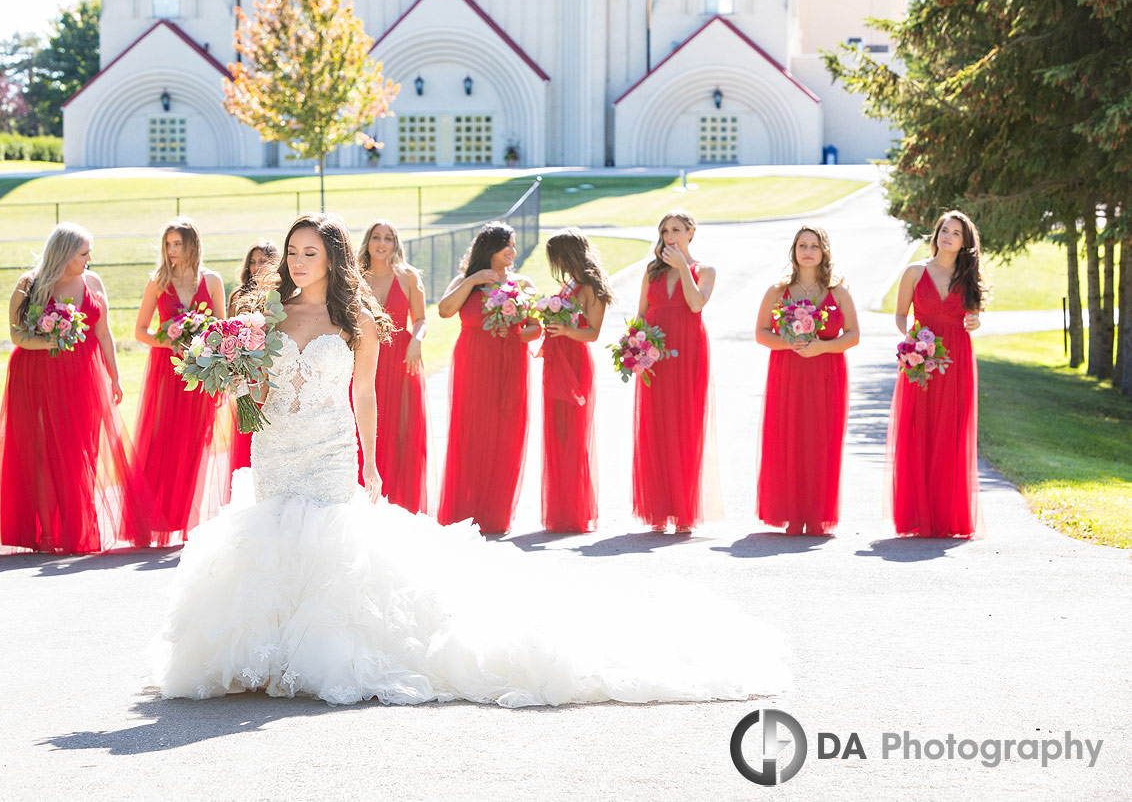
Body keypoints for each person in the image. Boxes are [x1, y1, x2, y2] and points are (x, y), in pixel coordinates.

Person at [150, 213, 791, 707]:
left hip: (328, 448)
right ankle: (268, 653)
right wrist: (231, 376)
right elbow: (256, 388)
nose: (296, 261)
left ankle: (313, 655)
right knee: (271, 544)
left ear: (331, 258)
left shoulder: (355, 321)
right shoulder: (263, 312)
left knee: (323, 548)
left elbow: (366, 396)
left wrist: (370, 463)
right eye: (291, 251)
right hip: (274, 448)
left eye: (308, 252)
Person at [0, 223, 156, 553]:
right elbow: (17, 336)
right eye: (83, 253)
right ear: (64, 255)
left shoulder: (93, 282)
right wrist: (50, 340)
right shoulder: (30, 285)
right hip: (37, 376)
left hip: (84, 376)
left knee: (84, 451)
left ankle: (77, 528)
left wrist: (115, 377)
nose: (89, 259)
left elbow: (104, 334)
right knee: (42, 453)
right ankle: (48, 535)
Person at [887, 210, 988, 538]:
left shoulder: (969, 277)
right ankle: (919, 514)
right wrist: (911, 342)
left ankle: (948, 517)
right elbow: (901, 316)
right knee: (920, 430)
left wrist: (974, 322)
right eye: (944, 229)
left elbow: (972, 318)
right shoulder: (915, 272)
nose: (947, 236)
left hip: (957, 362)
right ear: (936, 234)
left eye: (955, 233)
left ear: (964, 241)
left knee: (952, 433)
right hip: (921, 363)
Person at [435, 222, 541, 534]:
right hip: (472, 363)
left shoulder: (523, 283)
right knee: (471, 432)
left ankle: (496, 513)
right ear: (489, 249)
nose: (512, 250)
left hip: (510, 363)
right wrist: (473, 280)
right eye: (506, 244)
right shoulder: (465, 280)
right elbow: (444, 310)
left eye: (513, 244)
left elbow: (537, 328)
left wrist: (515, 334)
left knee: (507, 432)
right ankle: (465, 509)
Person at [130, 217, 230, 543]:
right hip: (165, 372)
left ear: (193, 244)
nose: (173, 251)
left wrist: (204, 342)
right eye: (169, 244)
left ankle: (190, 522)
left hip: (201, 374)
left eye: (178, 244)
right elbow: (140, 331)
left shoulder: (212, 281)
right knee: (159, 440)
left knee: (196, 443)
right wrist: (171, 340)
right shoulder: (158, 281)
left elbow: (222, 328)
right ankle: (153, 520)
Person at [754, 226, 859, 536]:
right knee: (787, 437)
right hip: (787, 373)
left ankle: (817, 514)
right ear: (794, 251)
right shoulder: (777, 291)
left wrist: (821, 347)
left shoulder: (838, 292)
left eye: (814, 245)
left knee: (821, 441)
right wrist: (792, 343)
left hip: (827, 373)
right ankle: (790, 514)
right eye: (802, 245)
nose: (808, 251)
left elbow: (853, 335)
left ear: (824, 251)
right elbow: (761, 333)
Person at [632, 210, 723, 533]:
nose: (670, 236)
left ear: (691, 232)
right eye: (665, 231)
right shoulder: (651, 271)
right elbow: (640, 315)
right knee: (655, 425)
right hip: (655, 356)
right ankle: (658, 509)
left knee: (685, 424)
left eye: (676, 230)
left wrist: (683, 267)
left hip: (688, 352)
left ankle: (684, 510)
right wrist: (634, 350)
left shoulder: (705, 270)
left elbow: (696, 304)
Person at [539, 229, 614, 533]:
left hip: (575, 362)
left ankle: (574, 510)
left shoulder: (592, 287)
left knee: (572, 434)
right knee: (557, 433)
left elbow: (593, 332)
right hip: (557, 360)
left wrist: (566, 331)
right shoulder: (570, 283)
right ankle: (561, 508)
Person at [357, 220, 429, 514]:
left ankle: (401, 503)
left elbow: (422, 318)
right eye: (376, 237)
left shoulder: (409, 276)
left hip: (402, 360)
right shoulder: (356, 277)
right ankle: (367, 500)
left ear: (395, 244)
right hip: (366, 361)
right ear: (369, 241)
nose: (382, 243)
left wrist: (417, 341)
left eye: (388, 238)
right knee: (369, 427)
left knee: (401, 429)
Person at [227, 238, 279, 478]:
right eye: (253, 262)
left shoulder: (280, 296)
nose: (257, 268)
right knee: (244, 441)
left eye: (264, 262)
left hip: (273, 371)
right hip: (244, 376)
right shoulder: (238, 296)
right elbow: (228, 332)